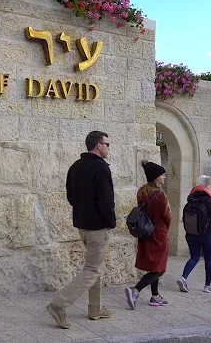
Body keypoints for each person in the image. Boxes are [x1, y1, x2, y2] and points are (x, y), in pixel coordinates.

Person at [46, 131, 116, 329]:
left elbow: (71, 197)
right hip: (98, 227)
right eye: (107, 144)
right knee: (92, 269)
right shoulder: (101, 168)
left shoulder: (75, 166)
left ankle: (95, 309)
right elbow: (106, 201)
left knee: (96, 267)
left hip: (82, 225)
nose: (109, 148)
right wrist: (111, 222)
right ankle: (58, 305)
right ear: (98, 146)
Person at [125, 160, 171, 309]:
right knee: (160, 268)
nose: (164, 177)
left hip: (145, 232)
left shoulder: (142, 192)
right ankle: (135, 290)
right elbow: (166, 216)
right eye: (162, 175)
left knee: (154, 265)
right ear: (155, 177)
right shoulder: (160, 195)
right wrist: (166, 229)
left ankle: (155, 296)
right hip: (158, 233)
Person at [177, 175, 211, 293]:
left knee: (194, 257)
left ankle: (183, 278)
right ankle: (207, 286)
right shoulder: (210, 199)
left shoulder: (191, 197)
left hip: (191, 232)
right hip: (207, 233)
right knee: (208, 259)